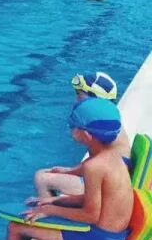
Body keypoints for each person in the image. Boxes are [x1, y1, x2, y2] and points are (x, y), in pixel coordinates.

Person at [7, 98, 132, 240]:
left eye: (73, 126)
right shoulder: (114, 156)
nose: (71, 130)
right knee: (37, 216)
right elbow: (102, 200)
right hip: (113, 234)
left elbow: (90, 215)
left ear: (86, 135)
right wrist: (54, 201)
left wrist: (51, 210)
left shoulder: (94, 166)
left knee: (15, 227)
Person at [29, 73, 127, 201]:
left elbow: (101, 167)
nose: (76, 100)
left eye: (79, 95)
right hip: (108, 180)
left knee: (41, 178)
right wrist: (69, 171)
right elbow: (97, 159)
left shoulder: (101, 132)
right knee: (47, 173)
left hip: (108, 187)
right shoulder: (108, 125)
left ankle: (46, 206)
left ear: (94, 99)